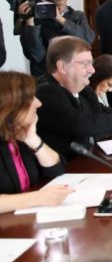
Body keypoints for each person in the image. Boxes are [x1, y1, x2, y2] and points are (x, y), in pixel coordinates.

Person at [0, 71, 72, 213]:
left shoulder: (18, 136)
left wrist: (34, 140)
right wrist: (38, 198)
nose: (38, 103)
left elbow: (56, 171)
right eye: (30, 99)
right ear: (10, 106)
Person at [18, 0, 95, 76]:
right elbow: (36, 56)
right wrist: (30, 20)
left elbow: (87, 41)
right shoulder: (35, 18)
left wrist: (60, 19)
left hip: (72, 77)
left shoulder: (77, 16)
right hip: (45, 79)